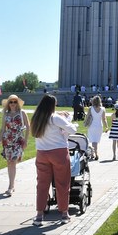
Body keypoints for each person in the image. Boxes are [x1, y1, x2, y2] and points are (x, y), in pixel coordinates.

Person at [29, 94, 76, 226]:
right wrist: (69, 119)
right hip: (58, 152)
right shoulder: (55, 118)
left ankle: (39, 214)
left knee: (42, 185)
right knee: (62, 184)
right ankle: (64, 213)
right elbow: (72, 129)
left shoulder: (37, 118)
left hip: (42, 153)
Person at [0, 94, 30, 196]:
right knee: (9, 162)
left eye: (15, 102)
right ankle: (11, 185)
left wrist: (26, 141)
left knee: (13, 161)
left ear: (17, 103)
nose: (13, 104)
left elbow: (28, 127)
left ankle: (11, 186)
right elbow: (2, 129)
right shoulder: (6, 114)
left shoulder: (22, 113)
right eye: (11, 102)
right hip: (7, 140)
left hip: (18, 140)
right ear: (8, 104)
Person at [84, 95, 108, 160]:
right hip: (99, 126)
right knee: (96, 141)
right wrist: (106, 127)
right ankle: (95, 153)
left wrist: (85, 123)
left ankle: (93, 154)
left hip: (92, 126)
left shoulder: (90, 108)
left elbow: (87, 117)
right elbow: (104, 119)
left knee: (92, 141)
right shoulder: (103, 109)